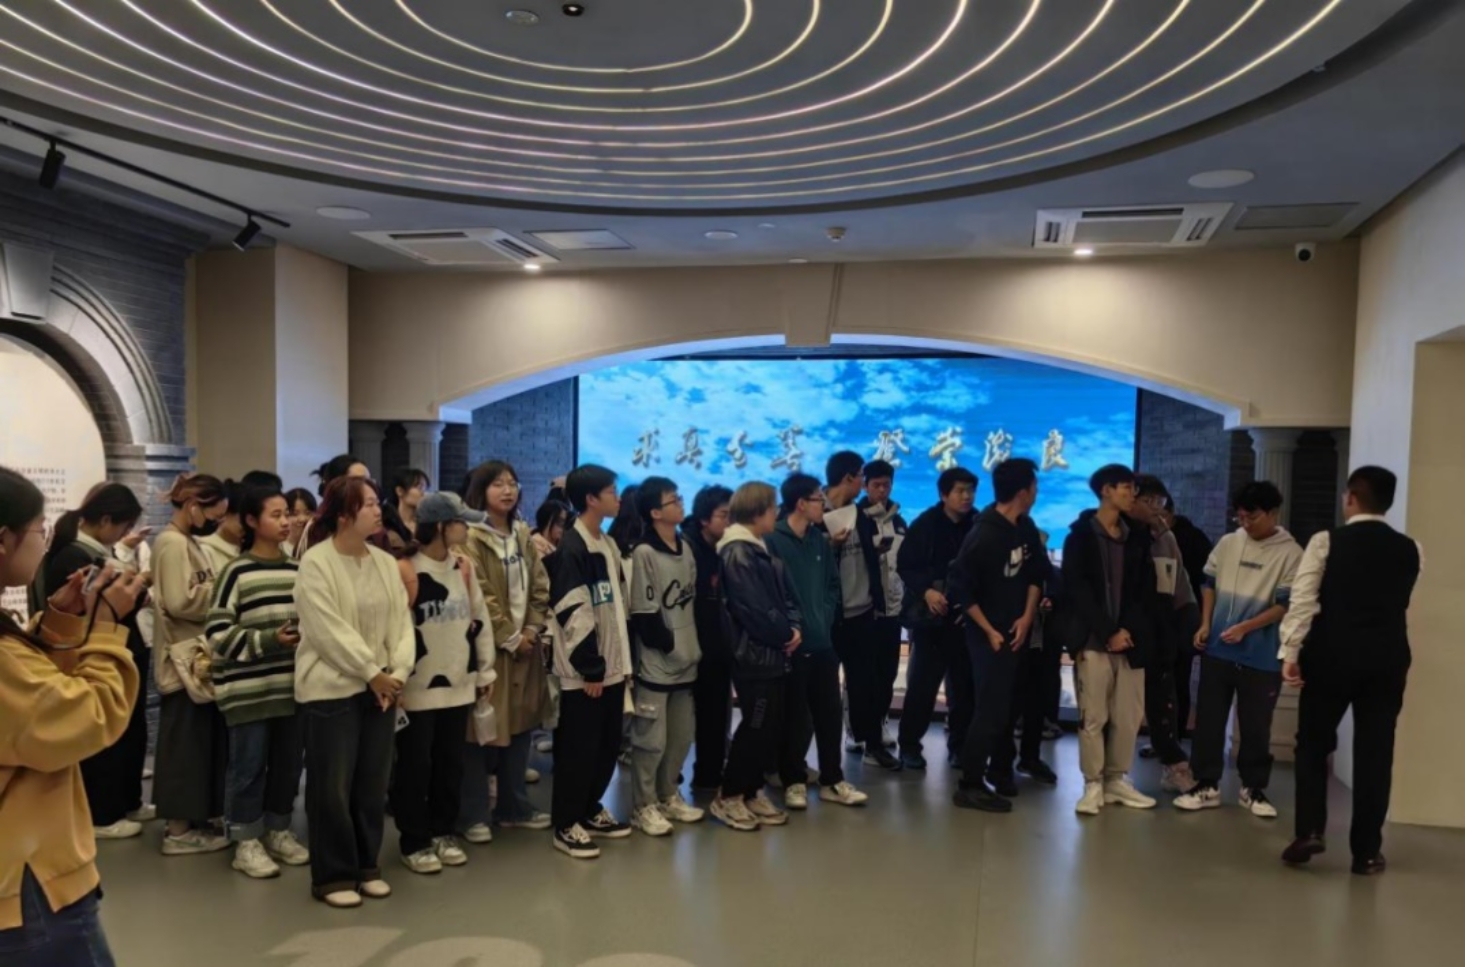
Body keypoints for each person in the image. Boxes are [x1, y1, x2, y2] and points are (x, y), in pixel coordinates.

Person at [0, 466, 147, 967]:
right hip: (29, 878)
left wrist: (61, 625)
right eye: (39, 529)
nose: (45, 540)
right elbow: (87, 716)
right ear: (4, 540)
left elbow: (32, 702)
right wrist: (105, 629)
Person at [1280, 467, 1422, 875]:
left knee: (1313, 743)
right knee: (1376, 752)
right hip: (1388, 658)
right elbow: (1400, 599)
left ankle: (1310, 830)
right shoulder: (1411, 549)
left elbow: (1303, 599)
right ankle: (1367, 853)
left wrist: (1290, 651)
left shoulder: (1326, 541)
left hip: (1331, 655)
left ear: (1351, 497)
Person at [294, 476, 415, 907]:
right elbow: (326, 630)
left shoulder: (383, 561)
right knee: (332, 788)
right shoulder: (316, 563)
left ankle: (367, 867)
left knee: (371, 785)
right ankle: (333, 877)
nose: (378, 510)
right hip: (331, 690)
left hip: (381, 688)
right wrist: (371, 672)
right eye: (367, 504)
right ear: (343, 514)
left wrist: (397, 672)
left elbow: (401, 623)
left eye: (377, 502)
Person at [1175, 481, 1302, 818]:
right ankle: (1206, 785)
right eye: (1240, 517)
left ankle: (1253, 788)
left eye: (1252, 517)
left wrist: (1246, 627)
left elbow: (1286, 604)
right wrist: (1205, 624)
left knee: (1256, 726)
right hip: (1218, 651)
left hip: (1261, 655)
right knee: (1209, 721)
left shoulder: (1292, 553)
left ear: (1273, 513)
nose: (1245, 523)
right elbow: (1209, 584)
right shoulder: (1229, 543)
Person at [37, 483, 155, 840]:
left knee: (129, 729)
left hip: (120, 647)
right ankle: (104, 814)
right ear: (105, 520)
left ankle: (127, 800)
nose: (125, 534)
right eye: (124, 526)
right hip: (98, 651)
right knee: (106, 733)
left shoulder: (92, 552)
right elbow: (105, 607)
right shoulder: (75, 557)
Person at [205, 486, 310, 879]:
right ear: (251, 520)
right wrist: (269, 641)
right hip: (248, 690)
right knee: (247, 768)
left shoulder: (298, 570)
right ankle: (245, 839)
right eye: (276, 515)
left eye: (288, 514)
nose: (286, 522)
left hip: (292, 689)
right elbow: (217, 632)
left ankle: (278, 829)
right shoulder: (236, 571)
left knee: (287, 766)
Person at [392, 492, 496, 874]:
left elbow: (479, 620)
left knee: (450, 766)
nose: (466, 529)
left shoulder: (463, 567)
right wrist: (396, 681)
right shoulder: (405, 570)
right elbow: (394, 630)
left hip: (457, 685)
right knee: (414, 768)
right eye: (460, 522)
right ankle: (414, 840)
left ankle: (442, 831)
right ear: (440, 526)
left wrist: (485, 671)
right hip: (416, 690)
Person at [1058, 464, 1161, 816]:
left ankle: (1117, 779)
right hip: (1093, 639)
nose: (1132, 495)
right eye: (1126, 488)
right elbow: (1077, 590)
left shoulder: (1137, 537)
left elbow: (1143, 592)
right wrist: (1108, 631)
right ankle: (1093, 784)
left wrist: (1127, 630)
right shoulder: (1080, 537)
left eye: (1133, 488)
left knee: (1128, 716)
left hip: (1132, 642)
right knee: (1094, 716)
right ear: (1106, 490)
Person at [947, 458, 1047, 812]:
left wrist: (1027, 616)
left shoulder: (1025, 526)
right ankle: (970, 783)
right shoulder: (984, 534)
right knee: (989, 710)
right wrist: (989, 630)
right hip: (989, 637)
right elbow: (961, 589)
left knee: (1008, 707)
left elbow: (1036, 573)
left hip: (1017, 631)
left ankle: (1000, 771)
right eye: (1033, 487)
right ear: (1023, 492)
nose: (1036, 493)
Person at [460, 461, 553, 840]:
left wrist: (530, 629)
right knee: (479, 733)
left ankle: (514, 807)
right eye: (498, 484)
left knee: (520, 729)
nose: (508, 490)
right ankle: (473, 815)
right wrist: (510, 637)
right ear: (481, 491)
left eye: (512, 483)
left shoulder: (521, 533)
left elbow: (540, 586)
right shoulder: (470, 536)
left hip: (525, 649)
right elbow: (480, 594)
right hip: (488, 650)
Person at [766, 474, 868, 810]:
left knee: (829, 714)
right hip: (790, 645)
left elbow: (832, 586)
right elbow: (768, 591)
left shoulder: (819, 541)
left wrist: (823, 615)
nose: (823, 504)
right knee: (796, 718)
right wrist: (788, 627)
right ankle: (793, 780)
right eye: (816, 499)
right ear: (800, 504)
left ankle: (832, 780)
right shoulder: (773, 540)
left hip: (822, 641)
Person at [547, 465, 634, 859]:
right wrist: (590, 666)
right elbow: (574, 611)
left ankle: (589, 808)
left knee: (606, 746)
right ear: (591, 499)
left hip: (613, 666)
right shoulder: (572, 548)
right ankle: (566, 823)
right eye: (612, 491)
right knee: (579, 750)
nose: (618, 498)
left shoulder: (607, 543)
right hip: (586, 672)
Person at [712, 482, 801, 832]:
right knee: (756, 725)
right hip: (752, 655)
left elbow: (780, 600)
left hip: (769, 652)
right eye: (772, 508)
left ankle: (751, 791)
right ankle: (729, 795)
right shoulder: (737, 551)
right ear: (757, 511)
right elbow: (754, 608)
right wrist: (785, 634)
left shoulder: (756, 547)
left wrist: (792, 629)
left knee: (768, 726)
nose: (776, 514)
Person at [152, 473, 233, 855]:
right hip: (182, 660)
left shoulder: (187, 541)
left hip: (195, 657)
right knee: (184, 746)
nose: (216, 522)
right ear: (192, 506)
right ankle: (178, 830)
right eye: (213, 515)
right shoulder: (172, 543)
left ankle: (193, 821)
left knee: (198, 744)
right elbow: (178, 600)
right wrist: (222, 594)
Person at [624, 477, 707, 836]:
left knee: (681, 737)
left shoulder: (685, 546)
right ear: (655, 512)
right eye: (674, 500)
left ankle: (668, 794)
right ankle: (643, 806)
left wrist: (690, 650)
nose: (680, 504)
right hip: (657, 665)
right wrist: (671, 647)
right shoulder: (644, 553)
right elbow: (645, 615)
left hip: (688, 662)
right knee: (650, 741)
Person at [895, 467, 978, 770]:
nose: (967, 496)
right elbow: (906, 565)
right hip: (931, 620)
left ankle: (960, 747)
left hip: (966, 619)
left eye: (971, 490)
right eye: (960, 491)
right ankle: (909, 746)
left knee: (964, 690)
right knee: (922, 687)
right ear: (944, 494)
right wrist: (927, 591)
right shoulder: (926, 524)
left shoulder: (979, 524)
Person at [824, 451, 899, 770]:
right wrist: (831, 545)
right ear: (849, 479)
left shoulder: (861, 514)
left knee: (866, 684)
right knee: (823, 691)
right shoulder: (816, 513)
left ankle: (871, 745)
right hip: (828, 617)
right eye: (861, 478)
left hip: (863, 612)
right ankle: (823, 759)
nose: (864, 485)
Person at [1131, 476, 1200, 795]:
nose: (1157, 509)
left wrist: (1186, 625)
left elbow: (1180, 586)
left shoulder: (1165, 537)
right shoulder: (1118, 535)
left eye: (1160, 503)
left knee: (1164, 702)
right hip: (1124, 634)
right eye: (1150, 502)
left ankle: (1173, 766)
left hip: (1162, 633)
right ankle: (1107, 776)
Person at [684, 485, 734, 791]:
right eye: (723, 515)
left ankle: (708, 777)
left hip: (718, 647)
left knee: (716, 717)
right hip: (688, 648)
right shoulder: (686, 548)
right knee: (680, 724)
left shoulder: (725, 548)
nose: (729, 522)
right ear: (704, 519)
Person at [859, 460, 907, 751]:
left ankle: (880, 722)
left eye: (886, 485)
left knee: (887, 672)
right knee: (863, 674)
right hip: (864, 609)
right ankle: (855, 730)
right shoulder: (857, 518)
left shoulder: (899, 521)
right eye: (876, 485)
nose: (881, 490)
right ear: (865, 486)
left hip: (893, 608)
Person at [1164, 502, 1214, 739]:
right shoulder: (1151, 536)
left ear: (1170, 513)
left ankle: (1175, 733)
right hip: (1167, 617)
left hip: (1185, 615)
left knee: (1178, 678)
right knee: (1167, 681)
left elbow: (1207, 580)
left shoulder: (1191, 538)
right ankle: (1167, 735)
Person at [199, 478, 246, 576]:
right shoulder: (206, 550)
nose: (247, 525)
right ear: (225, 513)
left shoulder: (250, 547)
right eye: (242, 519)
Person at [391, 468, 430, 535]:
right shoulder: (389, 523)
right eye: (420, 488)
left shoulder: (426, 524)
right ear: (400, 491)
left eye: (425, 489)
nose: (424, 493)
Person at [284, 488, 318, 559]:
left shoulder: (320, 546)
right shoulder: (278, 549)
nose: (302, 519)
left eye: (308, 513)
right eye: (294, 514)